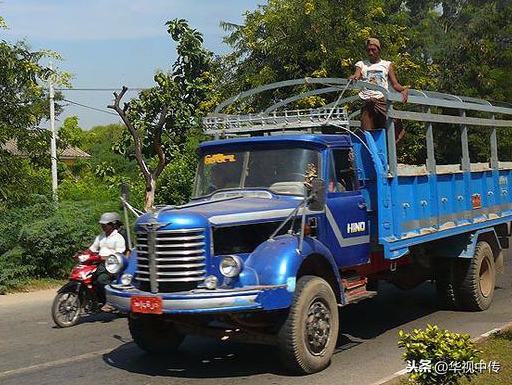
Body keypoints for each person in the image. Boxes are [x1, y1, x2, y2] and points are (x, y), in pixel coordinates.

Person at [348, 38, 409, 140]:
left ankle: (390, 151)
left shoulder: (386, 65)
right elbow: (356, 75)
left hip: (382, 101)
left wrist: (403, 89)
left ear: (379, 50)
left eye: (373, 50)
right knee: (367, 133)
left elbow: (395, 84)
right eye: (368, 50)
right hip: (368, 102)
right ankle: (372, 153)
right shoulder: (361, 64)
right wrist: (353, 77)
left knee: (394, 124)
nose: (371, 53)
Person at [89, 212, 126, 312]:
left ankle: (111, 302)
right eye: (102, 225)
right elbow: (92, 249)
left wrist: (103, 258)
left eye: (105, 225)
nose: (103, 227)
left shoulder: (118, 238)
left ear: (112, 225)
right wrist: (82, 254)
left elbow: (118, 256)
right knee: (88, 279)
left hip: (112, 266)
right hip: (99, 264)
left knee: (102, 280)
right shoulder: (100, 237)